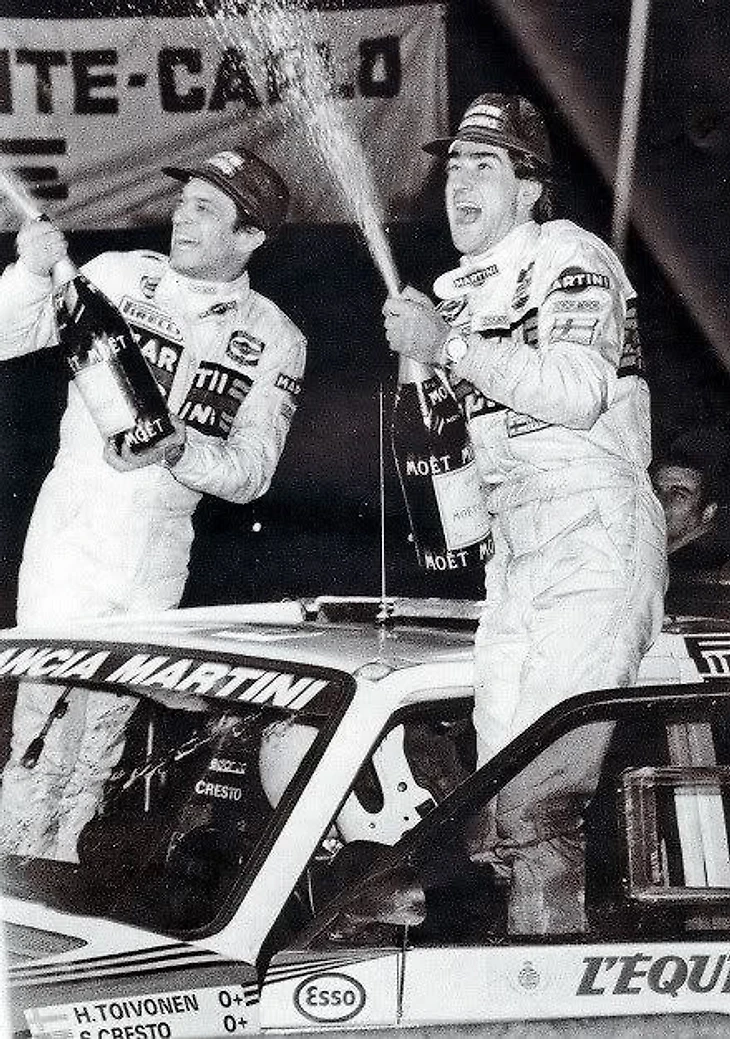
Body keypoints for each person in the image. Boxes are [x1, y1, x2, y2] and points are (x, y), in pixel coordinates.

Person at [382, 94, 667, 934]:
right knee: (491, 800)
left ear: (531, 187)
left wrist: (450, 347)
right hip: (512, 545)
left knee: (540, 794)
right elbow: (447, 447)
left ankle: (547, 974)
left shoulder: (571, 254)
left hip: (593, 525)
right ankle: (507, 963)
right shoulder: (451, 292)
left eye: (485, 165)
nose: (459, 183)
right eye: (454, 166)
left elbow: (579, 393)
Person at [0, 148, 306, 862]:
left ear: (250, 235)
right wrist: (28, 272)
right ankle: (12, 881)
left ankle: (60, 875)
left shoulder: (276, 338)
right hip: (73, 536)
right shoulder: (113, 275)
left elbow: (253, 474)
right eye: (183, 201)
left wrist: (179, 448)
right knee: (42, 731)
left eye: (205, 208)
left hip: (158, 557)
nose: (181, 217)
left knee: (100, 747)